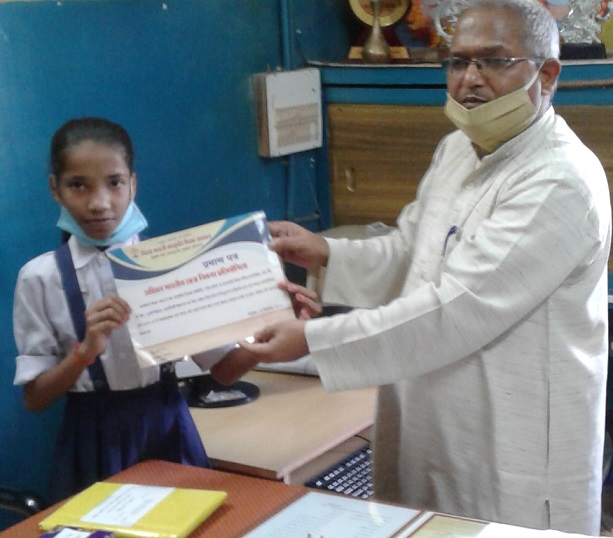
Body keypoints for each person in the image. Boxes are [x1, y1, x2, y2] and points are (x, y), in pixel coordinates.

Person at [211, 0, 612, 535]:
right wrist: (325, 252)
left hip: (512, 448)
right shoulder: (458, 149)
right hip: (430, 421)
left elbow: (456, 310)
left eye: (493, 61)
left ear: (547, 74)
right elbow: (412, 252)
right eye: (458, 61)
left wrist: (312, 339)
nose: (470, 79)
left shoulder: (560, 180)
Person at [12, 117, 212, 503]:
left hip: (168, 426)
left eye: (115, 183)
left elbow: (226, 369)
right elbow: (35, 399)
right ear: (55, 188)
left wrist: (271, 316)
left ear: (133, 184)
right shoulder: (39, 278)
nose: (99, 203)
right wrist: (84, 352)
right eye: (78, 185)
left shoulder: (169, 265)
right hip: (91, 438)